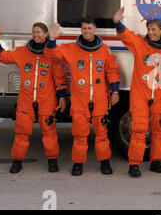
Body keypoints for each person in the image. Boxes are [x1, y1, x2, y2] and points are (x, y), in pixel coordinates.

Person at [45, 19, 120, 176]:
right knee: (79, 135)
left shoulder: (105, 50)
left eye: (89, 28)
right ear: (81, 30)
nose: (87, 31)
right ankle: (78, 164)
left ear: (95, 29)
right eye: (84, 28)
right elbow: (52, 54)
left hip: (99, 100)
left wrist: (115, 91)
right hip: (80, 101)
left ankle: (105, 163)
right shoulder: (71, 49)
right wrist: (52, 39)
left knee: (102, 135)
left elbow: (112, 71)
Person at [0, 23, 67, 173]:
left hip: (46, 100)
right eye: (34, 32)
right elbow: (4, 57)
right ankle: (17, 161)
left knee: (49, 133)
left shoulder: (53, 55)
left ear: (46, 34)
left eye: (39, 32)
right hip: (26, 101)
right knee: (21, 133)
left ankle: (52, 161)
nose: (36, 35)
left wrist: (62, 97)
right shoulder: (23, 52)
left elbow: (59, 78)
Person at [113, 7, 161, 177]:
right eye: (148, 29)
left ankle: (156, 161)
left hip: (159, 95)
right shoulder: (140, 44)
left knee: (158, 129)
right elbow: (126, 36)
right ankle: (134, 164)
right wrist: (117, 23)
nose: (150, 33)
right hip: (141, 94)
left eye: (154, 30)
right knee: (138, 129)